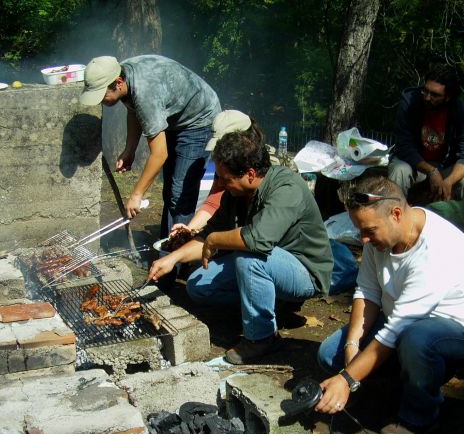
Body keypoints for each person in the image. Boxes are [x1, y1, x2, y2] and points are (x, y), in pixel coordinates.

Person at [314, 176, 464, 434]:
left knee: (416, 340)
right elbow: (366, 292)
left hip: (457, 330)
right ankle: (400, 380)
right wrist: (353, 346)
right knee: (330, 354)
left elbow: (396, 330)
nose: (364, 239)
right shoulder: (379, 240)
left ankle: (420, 416)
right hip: (402, 320)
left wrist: (348, 377)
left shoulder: (436, 249)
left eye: (370, 231)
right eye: (360, 230)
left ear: (396, 214)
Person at [148, 130, 333, 365]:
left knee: (249, 258)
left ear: (250, 174)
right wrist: (172, 258)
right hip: (267, 262)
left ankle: (262, 338)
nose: (221, 185)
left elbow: (256, 240)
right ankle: (270, 304)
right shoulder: (236, 193)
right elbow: (207, 237)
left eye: (226, 179)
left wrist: (215, 240)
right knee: (199, 286)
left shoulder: (287, 187)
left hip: (304, 272)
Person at [79, 55, 220, 240]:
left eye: (102, 94)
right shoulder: (124, 74)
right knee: (170, 189)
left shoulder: (145, 92)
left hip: (199, 121)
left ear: (118, 82)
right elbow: (133, 110)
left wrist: (137, 194)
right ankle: (167, 244)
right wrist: (130, 150)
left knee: (180, 193)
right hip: (175, 117)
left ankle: (177, 260)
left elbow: (159, 154)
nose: (101, 101)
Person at [169, 110, 278, 237]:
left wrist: (215, 240)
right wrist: (190, 229)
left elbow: (261, 235)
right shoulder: (226, 165)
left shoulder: (265, 167)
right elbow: (213, 202)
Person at [388, 65, 464, 207]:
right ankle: (391, 221)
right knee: (399, 170)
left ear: (448, 97)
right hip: (414, 163)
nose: (427, 97)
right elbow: (404, 146)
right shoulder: (409, 102)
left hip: (447, 167)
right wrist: (432, 172)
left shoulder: (462, 112)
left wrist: (449, 181)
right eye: (425, 91)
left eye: (435, 95)